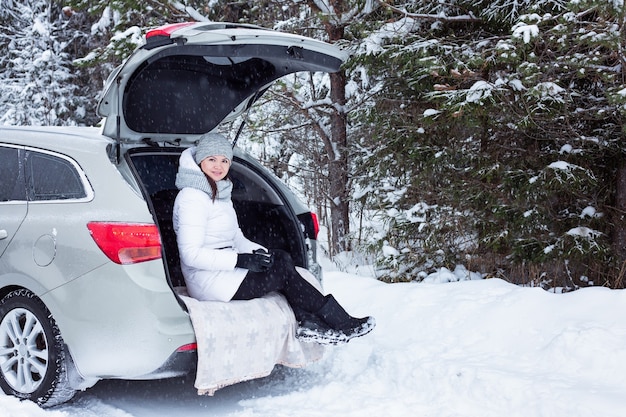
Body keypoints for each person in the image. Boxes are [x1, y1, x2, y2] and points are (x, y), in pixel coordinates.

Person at [172, 132, 375, 345]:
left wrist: (258, 253)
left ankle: (309, 322)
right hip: (207, 282)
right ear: (200, 160)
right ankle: (338, 321)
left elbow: (236, 237)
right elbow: (190, 255)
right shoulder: (192, 198)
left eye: (224, 160)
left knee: (280, 258)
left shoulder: (220, 193)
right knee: (281, 271)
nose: (218, 166)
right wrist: (240, 260)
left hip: (224, 270)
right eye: (212, 159)